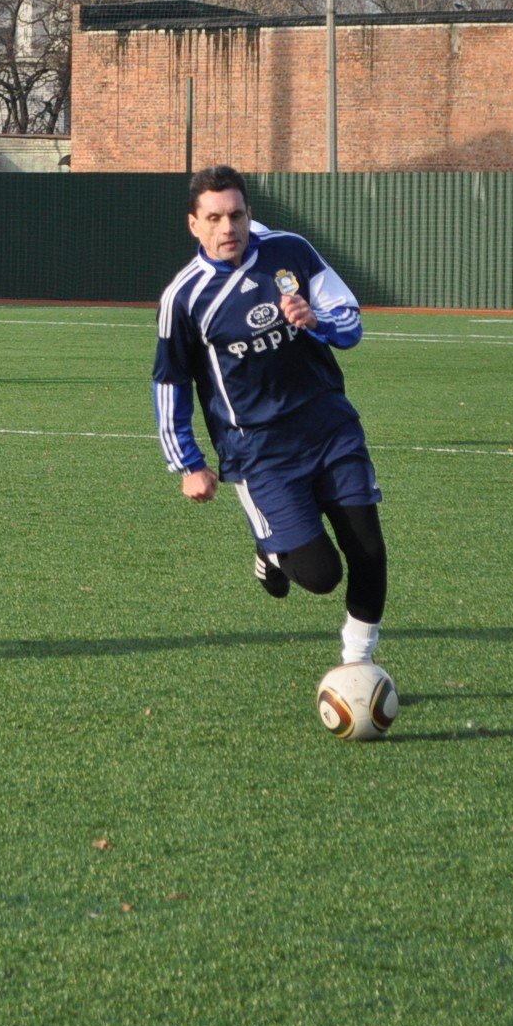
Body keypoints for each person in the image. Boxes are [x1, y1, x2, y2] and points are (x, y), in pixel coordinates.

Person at [153, 165, 389, 670]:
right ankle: (271, 551)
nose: (227, 228)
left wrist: (316, 320)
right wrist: (188, 463)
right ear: (193, 224)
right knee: (322, 576)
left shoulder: (291, 252)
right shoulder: (184, 298)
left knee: (368, 549)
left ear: (249, 214)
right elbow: (171, 380)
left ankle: (358, 665)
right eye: (214, 218)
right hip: (259, 452)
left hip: (329, 428)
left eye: (236, 214)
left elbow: (350, 325)